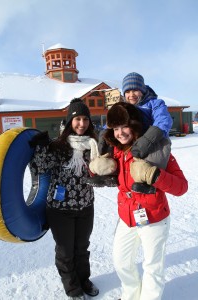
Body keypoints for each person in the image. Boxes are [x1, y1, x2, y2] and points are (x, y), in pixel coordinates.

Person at [89, 101, 188, 300]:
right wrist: (96, 167)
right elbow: (97, 172)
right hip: (127, 217)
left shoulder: (157, 150)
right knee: (122, 262)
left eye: (124, 126)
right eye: (115, 128)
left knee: (152, 266)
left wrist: (154, 175)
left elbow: (181, 187)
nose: (120, 133)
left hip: (155, 216)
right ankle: (130, 295)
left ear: (134, 124)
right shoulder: (115, 151)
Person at [29, 98, 100, 300]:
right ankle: (72, 288)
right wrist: (41, 147)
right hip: (60, 210)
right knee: (65, 251)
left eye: (85, 119)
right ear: (70, 121)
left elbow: (101, 169)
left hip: (86, 205)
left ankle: (84, 280)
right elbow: (40, 168)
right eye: (77, 119)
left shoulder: (92, 145)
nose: (82, 124)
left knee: (82, 248)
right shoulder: (58, 145)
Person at [87, 72, 173, 193]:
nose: (131, 95)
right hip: (135, 141)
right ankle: (108, 174)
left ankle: (148, 182)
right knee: (110, 142)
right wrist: (105, 132)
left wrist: (149, 138)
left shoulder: (154, 104)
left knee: (156, 155)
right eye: (127, 91)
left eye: (135, 90)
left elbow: (163, 121)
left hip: (154, 140)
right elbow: (115, 121)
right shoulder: (125, 107)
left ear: (142, 90)